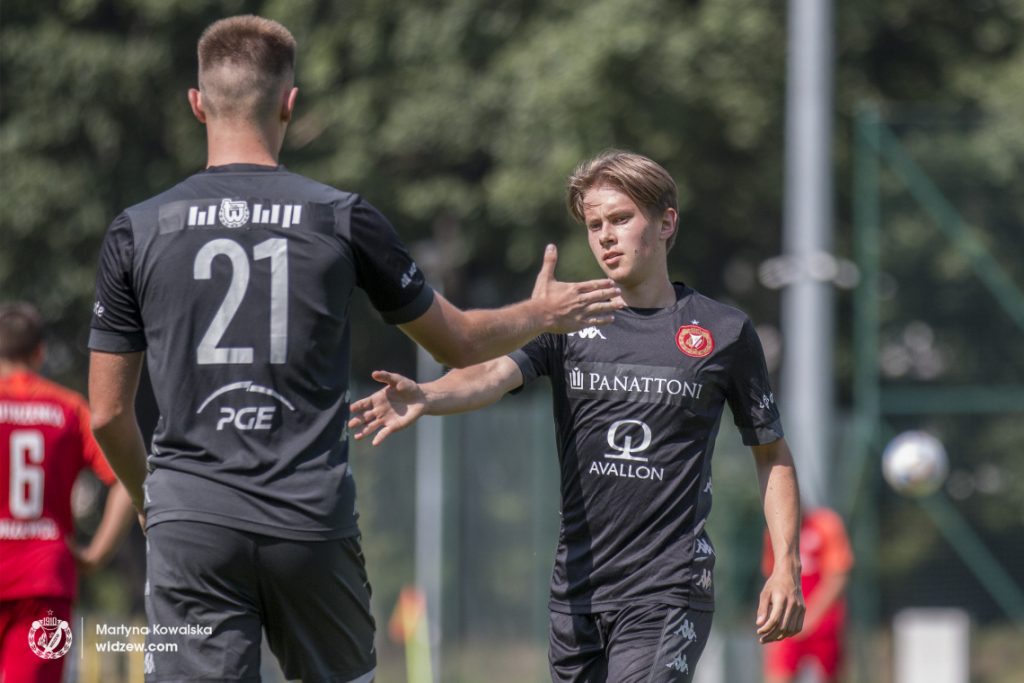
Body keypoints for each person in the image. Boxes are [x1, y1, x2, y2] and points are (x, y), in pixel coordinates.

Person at [86, 15, 623, 683]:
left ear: (197, 104)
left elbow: (108, 414)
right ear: (290, 103)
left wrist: (152, 501)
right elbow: (458, 342)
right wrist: (540, 313)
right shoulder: (340, 216)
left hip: (190, 523)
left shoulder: (136, 229)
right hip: (308, 521)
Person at [349, 150, 806, 683]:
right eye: (594, 225)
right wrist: (428, 395)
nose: (605, 237)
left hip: (668, 587)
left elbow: (771, 453)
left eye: (620, 219)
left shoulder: (722, 331)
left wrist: (786, 564)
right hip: (577, 591)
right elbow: (491, 374)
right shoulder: (566, 320)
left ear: (665, 223)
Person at [0, 302, 135, 683]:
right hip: (47, 580)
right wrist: (96, 553)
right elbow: (126, 481)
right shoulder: (70, 409)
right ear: (40, 352)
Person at [762, 506, 853, 683]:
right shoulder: (774, 532)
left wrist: (809, 618)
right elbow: (772, 580)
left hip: (823, 624)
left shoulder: (826, 525)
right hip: (787, 622)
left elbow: (837, 578)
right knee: (778, 673)